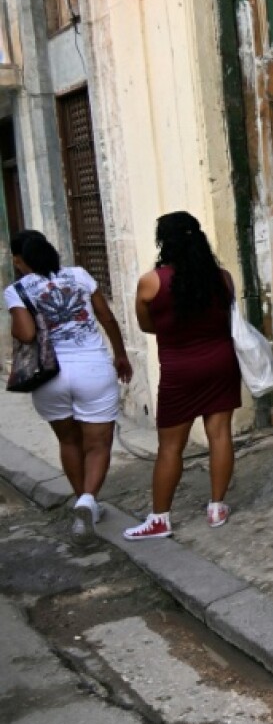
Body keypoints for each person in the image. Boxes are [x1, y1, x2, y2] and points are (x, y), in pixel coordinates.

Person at [5, 230, 133, 541]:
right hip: (93, 370)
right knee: (98, 444)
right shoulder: (79, 275)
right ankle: (89, 501)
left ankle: (84, 505)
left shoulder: (17, 289)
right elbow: (107, 317)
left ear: (20, 261)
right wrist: (120, 355)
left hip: (50, 377)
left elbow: (25, 335)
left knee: (69, 442)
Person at [124, 212, 241, 540]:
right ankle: (217, 507)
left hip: (180, 370)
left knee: (170, 447)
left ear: (164, 241)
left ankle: (160, 518)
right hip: (221, 362)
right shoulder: (223, 278)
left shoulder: (152, 282)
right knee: (220, 434)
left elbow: (148, 325)